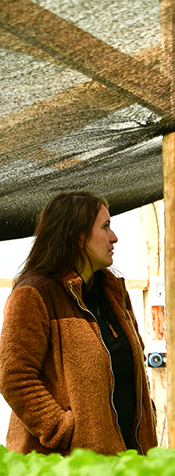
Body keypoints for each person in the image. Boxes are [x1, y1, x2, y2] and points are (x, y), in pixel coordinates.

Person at [0, 192, 157, 455]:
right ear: (78, 236)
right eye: (105, 227)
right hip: (63, 468)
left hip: (127, 460)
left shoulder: (113, 293)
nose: (114, 237)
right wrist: (63, 429)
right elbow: (14, 377)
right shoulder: (34, 293)